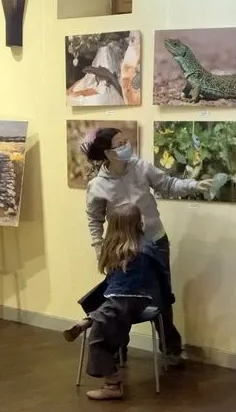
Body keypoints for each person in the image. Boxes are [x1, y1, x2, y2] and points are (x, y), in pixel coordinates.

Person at [82, 127, 212, 366]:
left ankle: (171, 351)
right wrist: (100, 249)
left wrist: (194, 186)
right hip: (121, 248)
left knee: (161, 296)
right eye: (119, 144)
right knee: (122, 299)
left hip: (155, 241)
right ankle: (118, 352)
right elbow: (94, 220)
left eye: (125, 141)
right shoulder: (97, 186)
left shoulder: (141, 167)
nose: (126, 146)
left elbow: (169, 184)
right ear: (107, 153)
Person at [63, 204, 172, 400]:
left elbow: (155, 278)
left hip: (132, 301)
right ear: (137, 223)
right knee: (105, 307)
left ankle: (112, 384)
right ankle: (92, 318)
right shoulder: (132, 247)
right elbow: (161, 276)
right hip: (123, 300)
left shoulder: (142, 250)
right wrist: (166, 297)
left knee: (97, 339)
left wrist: (165, 299)